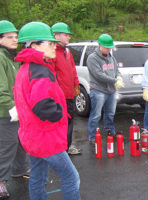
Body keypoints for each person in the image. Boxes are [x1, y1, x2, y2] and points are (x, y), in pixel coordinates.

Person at [13, 21, 81, 199]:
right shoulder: (39, 70)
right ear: (34, 45)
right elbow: (42, 106)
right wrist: (60, 111)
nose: (54, 46)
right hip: (46, 138)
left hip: (32, 136)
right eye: (49, 43)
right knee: (70, 177)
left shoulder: (26, 68)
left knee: (38, 177)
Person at [0, 20, 30, 199]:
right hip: (5, 113)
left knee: (20, 142)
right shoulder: (1, 58)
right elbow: (1, 89)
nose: (14, 39)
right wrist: (12, 108)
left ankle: (19, 170)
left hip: (18, 110)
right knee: (6, 146)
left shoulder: (13, 58)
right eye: (10, 37)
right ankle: (1, 181)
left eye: (16, 36)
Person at [87, 33, 124, 144]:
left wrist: (119, 77)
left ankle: (109, 131)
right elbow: (98, 75)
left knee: (110, 113)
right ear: (100, 45)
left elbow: (117, 70)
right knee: (96, 115)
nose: (109, 49)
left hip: (111, 91)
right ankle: (92, 137)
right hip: (98, 91)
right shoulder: (92, 58)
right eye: (107, 47)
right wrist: (114, 81)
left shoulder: (111, 57)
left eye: (110, 48)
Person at [51, 22, 81, 155]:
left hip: (69, 95)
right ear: (55, 35)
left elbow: (73, 70)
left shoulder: (67, 52)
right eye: (66, 35)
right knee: (60, 124)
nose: (69, 37)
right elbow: (51, 76)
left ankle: (66, 147)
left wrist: (76, 85)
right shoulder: (52, 53)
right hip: (59, 97)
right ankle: (61, 149)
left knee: (69, 122)